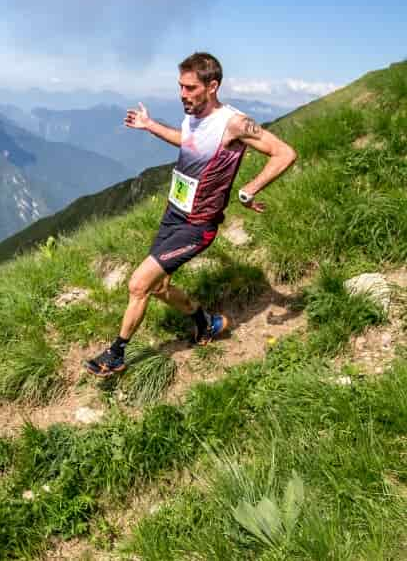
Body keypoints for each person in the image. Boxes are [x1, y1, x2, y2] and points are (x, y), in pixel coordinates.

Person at [85, 52, 297, 377]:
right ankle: (205, 323)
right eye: (180, 87)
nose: (182, 94)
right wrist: (149, 125)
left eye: (190, 88)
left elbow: (284, 153)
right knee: (157, 287)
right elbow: (189, 142)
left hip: (198, 225)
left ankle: (116, 353)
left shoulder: (235, 123)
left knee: (138, 284)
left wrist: (250, 189)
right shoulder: (193, 114)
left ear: (212, 86)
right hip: (174, 213)